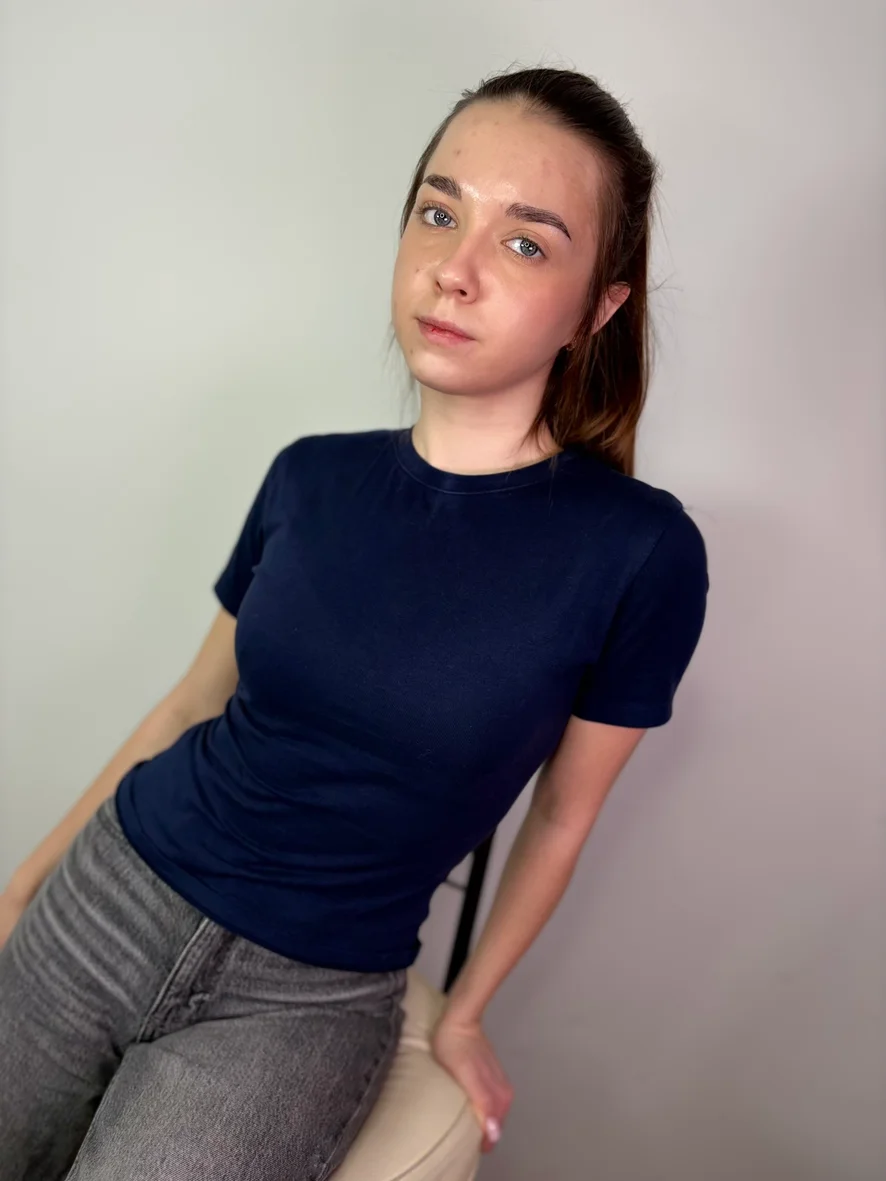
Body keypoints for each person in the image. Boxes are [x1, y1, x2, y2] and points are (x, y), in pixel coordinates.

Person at [0, 65, 709, 1180]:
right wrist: (23, 885)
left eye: (527, 242)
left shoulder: (640, 551)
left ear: (598, 308)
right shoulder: (309, 476)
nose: (455, 268)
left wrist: (465, 1013)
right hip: (111, 890)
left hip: (303, 999)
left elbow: (563, 816)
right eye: (439, 212)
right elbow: (188, 707)